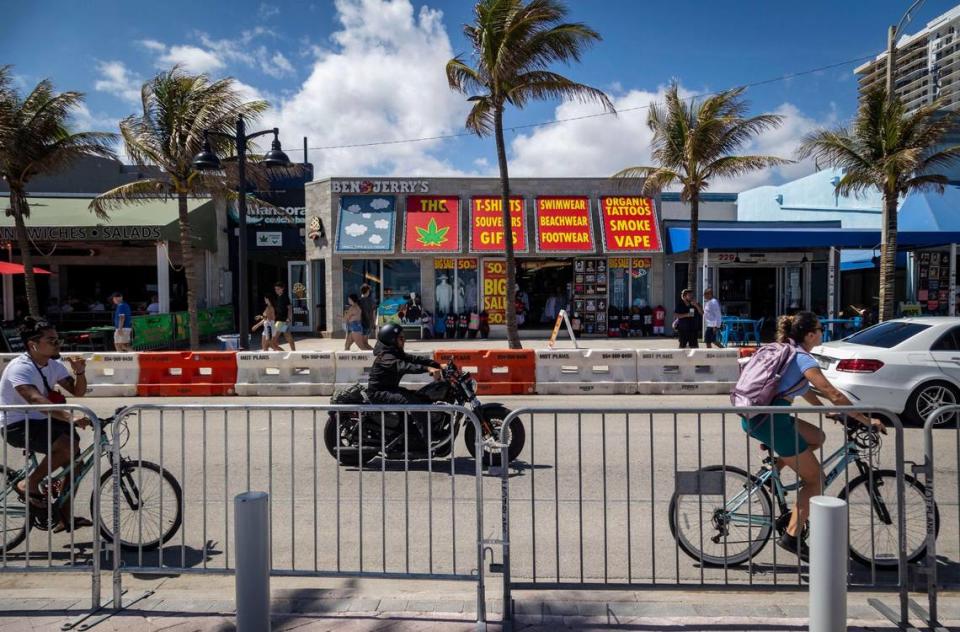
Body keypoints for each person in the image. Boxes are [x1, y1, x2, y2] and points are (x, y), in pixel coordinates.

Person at [741, 312, 886, 556]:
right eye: (819, 329)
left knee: (817, 437)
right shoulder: (802, 358)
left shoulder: (787, 350)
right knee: (815, 480)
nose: (822, 332)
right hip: (772, 422)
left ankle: (775, 467)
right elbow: (834, 393)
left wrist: (826, 411)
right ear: (810, 335)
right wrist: (865, 419)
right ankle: (791, 537)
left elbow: (803, 388)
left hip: (762, 417)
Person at [0, 318, 92, 532]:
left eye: (57, 339)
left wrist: (79, 372)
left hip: (42, 420)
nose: (57, 344)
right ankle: (29, 483)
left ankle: (65, 518)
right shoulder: (19, 368)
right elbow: (35, 400)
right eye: (51, 340)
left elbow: (77, 392)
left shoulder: (54, 365)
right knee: (67, 447)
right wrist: (70, 418)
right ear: (33, 345)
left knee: (76, 463)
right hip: (16, 424)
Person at [366, 323, 441, 441]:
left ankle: (412, 430)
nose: (404, 340)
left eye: (404, 337)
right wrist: (427, 369)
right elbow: (404, 366)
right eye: (401, 338)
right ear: (391, 340)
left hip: (389, 389)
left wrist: (438, 365)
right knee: (415, 404)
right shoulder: (386, 356)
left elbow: (414, 359)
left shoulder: (395, 351)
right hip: (378, 393)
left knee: (420, 396)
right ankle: (428, 440)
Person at [272, 282, 296, 351]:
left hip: (281, 321)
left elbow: (289, 308)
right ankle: (293, 352)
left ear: (282, 289)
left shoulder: (285, 297)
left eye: (278, 289)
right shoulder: (278, 297)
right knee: (288, 337)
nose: (276, 291)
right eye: (275, 289)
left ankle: (283, 353)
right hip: (281, 321)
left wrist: (289, 318)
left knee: (273, 340)